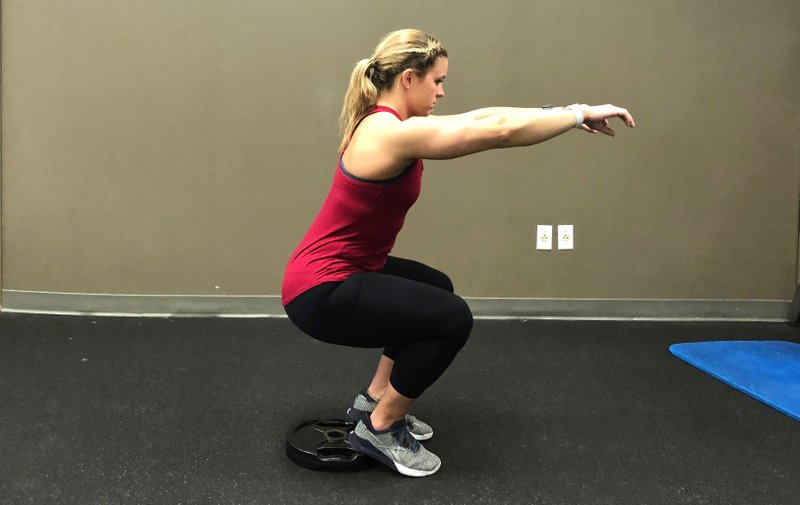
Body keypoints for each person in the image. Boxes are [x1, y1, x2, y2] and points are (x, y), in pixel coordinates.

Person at [282, 28, 635, 477]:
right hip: (321, 290)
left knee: (434, 288)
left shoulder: (387, 122)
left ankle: (373, 400)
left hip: (336, 271)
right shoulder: (388, 134)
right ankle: (381, 428)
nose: (443, 92)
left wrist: (563, 112)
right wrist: (576, 114)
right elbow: (496, 132)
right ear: (409, 79)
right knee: (451, 317)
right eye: (437, 81)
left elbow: (482, 116)